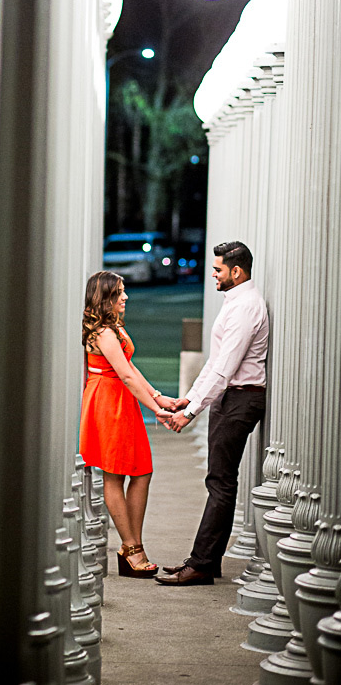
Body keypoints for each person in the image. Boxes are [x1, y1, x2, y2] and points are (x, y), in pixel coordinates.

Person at [155, 241, 268, 587]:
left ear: (237, 271)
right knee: (218, 481)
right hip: (230, 398)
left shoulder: (246, 307)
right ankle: (204, 560)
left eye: (218, 270)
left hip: (240, 399)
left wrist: (189, 414)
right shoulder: (235, 303)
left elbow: (225, 369)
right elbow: (215, 364)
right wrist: (185, 401)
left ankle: (203, 564)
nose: (214, 276)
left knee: (220, 483)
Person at [79, 271, 173, 579]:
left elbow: (130, 368)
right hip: (109, 402)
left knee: (141, 471)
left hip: (120, 401)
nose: (126, 297)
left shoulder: (112, 327)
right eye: (120, 292)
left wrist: (158, 398)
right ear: (106, 297)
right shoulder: (104, 333)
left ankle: (132, 546)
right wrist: (156, 409)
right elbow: (126, 376)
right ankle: (132, 548)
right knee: (115, 474)